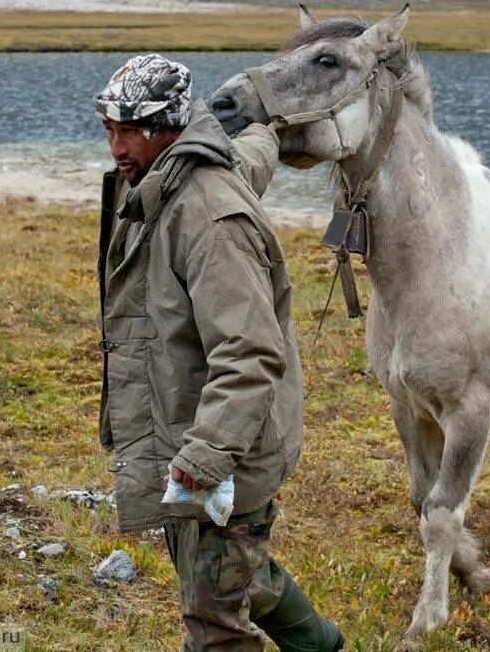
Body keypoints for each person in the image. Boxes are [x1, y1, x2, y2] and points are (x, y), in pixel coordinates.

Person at [94, 54, 344, 652]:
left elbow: (250, 352)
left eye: (132, 130)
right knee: (239, 576)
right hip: (189, 429)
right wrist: (267, 131)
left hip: (222, 447)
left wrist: (204, 458)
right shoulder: (180, 174)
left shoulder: (209, 220)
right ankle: (322, 645)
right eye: (109, 128)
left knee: (213, 624)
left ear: (174, 128)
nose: (116, 147)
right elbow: (250, 159)